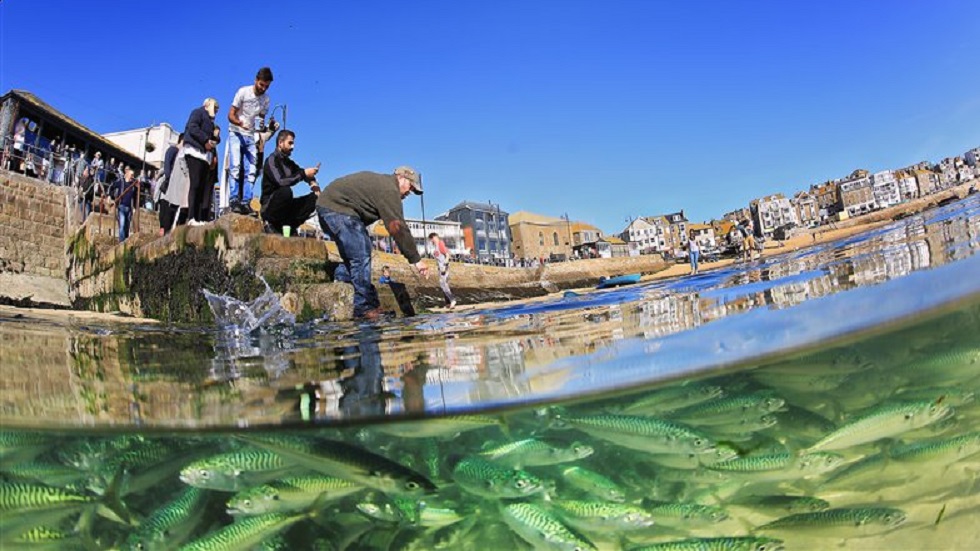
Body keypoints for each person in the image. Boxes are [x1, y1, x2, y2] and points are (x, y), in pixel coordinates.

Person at [316, 166, 429, 320]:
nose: (410, 192)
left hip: (329, 208)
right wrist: (416, 259)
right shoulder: (389, 189)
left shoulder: (384, 186)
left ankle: (342, 281)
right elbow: (397, 227)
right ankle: (362, 308)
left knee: (356, 251)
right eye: (411, 187)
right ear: (401, 178)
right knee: (361, 254)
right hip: (337, 208)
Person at [227, 67, 274, 215]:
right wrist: (239, 123)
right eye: (261, 85)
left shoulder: (266, 99)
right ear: (256, 80)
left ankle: (246, 201)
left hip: (251, 135)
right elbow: (230, 115)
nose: (263, 89)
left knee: (252, 169)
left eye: (266, 86)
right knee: (235, 166)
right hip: (236, 132)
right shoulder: (243, 92)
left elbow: (261, 118)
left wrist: (265, 126)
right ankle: (234, 199)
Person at [261, 129, 320, 235]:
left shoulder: (289, 163)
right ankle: (270, 223)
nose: (292, 147)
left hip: (285, 208)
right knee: (285, 192)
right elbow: (281, 181)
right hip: (270, 206)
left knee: (314, 199)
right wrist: (303, 174)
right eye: (290, 143)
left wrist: (313, 183)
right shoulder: (271, 160)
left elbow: (301, 172)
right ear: (280, 143)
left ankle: (289, 225)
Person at [182, 97, 220, 226]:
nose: (215, 111)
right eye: (214, 108)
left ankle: (199, 218)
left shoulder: (210, 121)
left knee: (202, 187)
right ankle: (192, 216)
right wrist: (205, 140)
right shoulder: (198, 113)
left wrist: (214, 139)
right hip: (194, 152)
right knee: (196, 184)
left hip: (204, 156)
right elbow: (192, 127)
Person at [111, 166, 139, 242]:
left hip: (129, 208)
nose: (133, 177)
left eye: (133, 175)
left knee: (127, 226)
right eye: (131, 175)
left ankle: (125, 240)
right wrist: (109, 196)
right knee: (122, 225)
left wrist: (135, 208)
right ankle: (121, 243)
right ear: (127, 174)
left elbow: (136, 196)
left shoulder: (133, 185)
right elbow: (112, 185)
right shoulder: (121, 181)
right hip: (121, 206)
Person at [428, 233, 456, 309]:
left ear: (434, 237)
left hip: (444, 268)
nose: (431, 241)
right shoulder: (436, 246)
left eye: (431, 239)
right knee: (442, 284)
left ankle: (452, 300)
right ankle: (448, 302)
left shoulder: (440, 244)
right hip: (440, 269)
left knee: (444, 284)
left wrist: (445, 266)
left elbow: (447, 255)